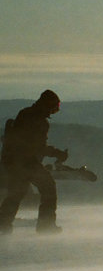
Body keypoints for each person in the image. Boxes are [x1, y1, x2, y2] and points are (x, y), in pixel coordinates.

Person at [0, 89, 68, 234]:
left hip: (13, 161)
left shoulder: (25, 113)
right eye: (55, 107)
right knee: (48, 187)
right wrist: (57, 153)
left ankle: (2, 225)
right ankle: (46, 225)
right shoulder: (38, 120)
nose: (54, 111)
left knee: (16, 193)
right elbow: (37, 146)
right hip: (25, 162)